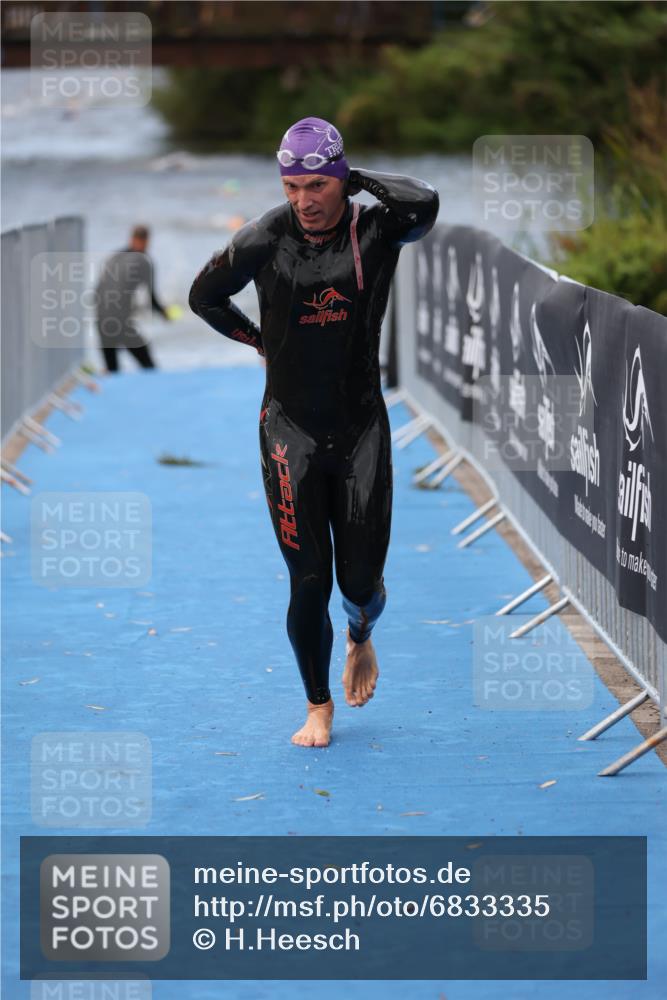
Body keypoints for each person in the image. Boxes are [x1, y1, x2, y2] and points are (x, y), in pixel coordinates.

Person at [189, 117, 439, 747]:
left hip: (360, 433)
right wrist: (258, 341)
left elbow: (424, 203)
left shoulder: (375, 230)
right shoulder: (264, 237)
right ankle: (317, 706)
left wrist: (353, 177)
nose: (304, 200)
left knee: (359, 584)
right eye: (292, 185)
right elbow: (204, 296)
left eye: (317, 185)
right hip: (288, 433)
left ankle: (361, 635)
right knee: (309, 580)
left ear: (340, 181)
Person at [95, 225, 168, 373]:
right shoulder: (144, 261)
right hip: (119, 322)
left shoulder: (114, 258)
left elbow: (98, 290)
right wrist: (165, 314)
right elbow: (151, 299)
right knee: (149, 366)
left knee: (112, 370)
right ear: (146, 241)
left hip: (101, 319)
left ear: (132, 238)